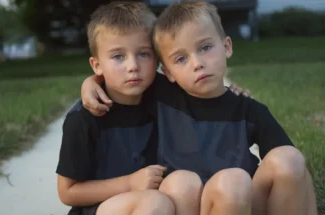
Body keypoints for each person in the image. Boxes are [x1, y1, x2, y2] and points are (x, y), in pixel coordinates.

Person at [80, 1, 318, 215]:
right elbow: (122, 80)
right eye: (181, 59)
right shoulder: (162, 96)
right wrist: (91, 82)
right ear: (168, 73)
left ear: (226, 47)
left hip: (243, 200)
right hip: (188, 202)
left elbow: (297, 174)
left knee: (288, 158)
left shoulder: (249, 110)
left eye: (205, 48)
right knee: (205, 181)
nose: (197, 63)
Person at [55, 2, 176, 215]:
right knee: (155, 203)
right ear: (97, 65)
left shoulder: (165, 96)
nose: (132, 66)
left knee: (180, 189)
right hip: (101, 209)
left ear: (157, 58)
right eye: (118, 56)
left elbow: (200, 86)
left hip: (154, 205)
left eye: (143, 54)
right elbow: (67, 192)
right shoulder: (83, 119)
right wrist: (129, 183)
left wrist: (237, 95)